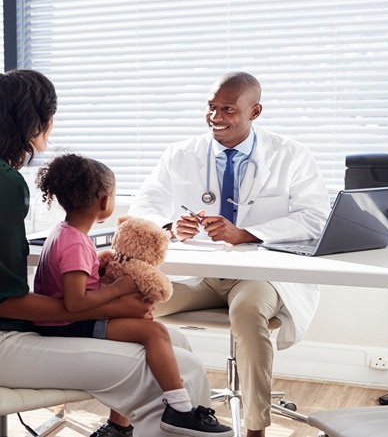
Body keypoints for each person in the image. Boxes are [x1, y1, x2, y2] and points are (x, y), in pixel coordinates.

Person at [0, 69, 219, 437]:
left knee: (176, 342)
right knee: (183, 369)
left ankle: (119, 430)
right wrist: (115, 304)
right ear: (34, 121)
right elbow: (2, 304)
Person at [128, 71, 330, 437]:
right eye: (211, 107)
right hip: (198, 272)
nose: (215, 117)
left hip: (258, 272)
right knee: (133, 307)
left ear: (255, 111)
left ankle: (255, 429)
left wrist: (248, 233)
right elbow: (144, 203)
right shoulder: (180, 153)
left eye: (227, 109)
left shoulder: (291, 154)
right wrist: (170, 226)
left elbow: (315, 217)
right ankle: (127, 418)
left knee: (247, 314)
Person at [32, 153, 233, 436]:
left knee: (151, 329)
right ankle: (179, 409)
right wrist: (119, 289)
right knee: (155, 334)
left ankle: (124, 424)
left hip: (67, 322)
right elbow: (75, 302)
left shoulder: (63, 233)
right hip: (68, 327)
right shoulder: (75, 243)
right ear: (105, 202)